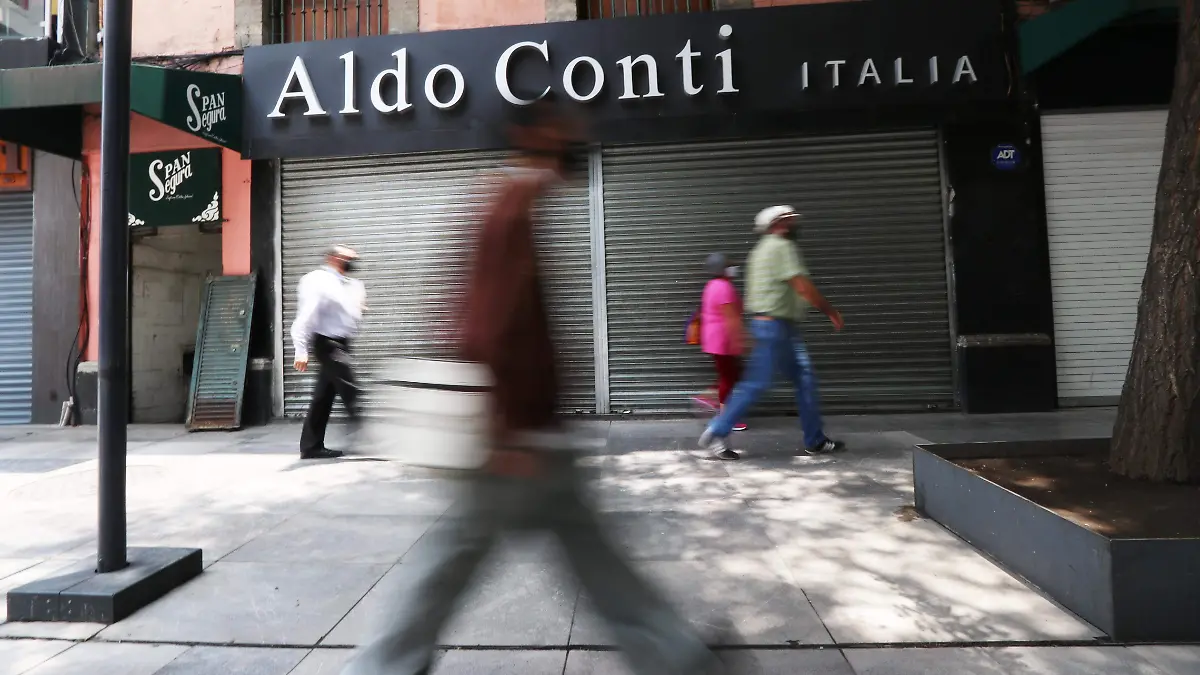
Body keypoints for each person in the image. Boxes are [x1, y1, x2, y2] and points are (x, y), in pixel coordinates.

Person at [340, 99, 730, 675]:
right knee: (458, 556)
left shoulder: (513, 202)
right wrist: (505, 429)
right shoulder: (510, 205)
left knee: (561, 550)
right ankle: (382, 666)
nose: (574, 143)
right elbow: (483, 324)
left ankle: (675, 654)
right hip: (515, 436)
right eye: (561, 133)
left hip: (531, 430)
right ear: (530, 136)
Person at [700, 206, 847, 458]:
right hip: (775, 327)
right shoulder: (781, 246)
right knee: (757, 383)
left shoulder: (759, 251)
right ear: (778, 223)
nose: (795, 222)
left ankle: (815, 440)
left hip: (776, 326)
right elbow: (802, 286)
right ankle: (717, 430)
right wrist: (830, 311)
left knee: (804, 379)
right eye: (790, 219)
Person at [291, 245, 365, 460]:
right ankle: (373, 440)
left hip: (341, 343)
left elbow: (349, 311)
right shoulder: (318, 280)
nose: (353, 261)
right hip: (328, 344)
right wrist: (301, 350)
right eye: (348, 258)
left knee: (322, 397)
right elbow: (305, 316)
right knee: (351, 391)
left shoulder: (347, 283)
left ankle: (311, 446)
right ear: (334, 258)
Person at [697, 253, 746, 458]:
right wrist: (739, 342)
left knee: (731, 376)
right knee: (729, 378)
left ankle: (710, 400)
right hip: (723, 341)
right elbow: (730, 318)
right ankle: (722, 418)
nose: (733, 268)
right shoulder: (723, 287)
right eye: (729, 265)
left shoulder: (712, 285)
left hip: (714, 340)